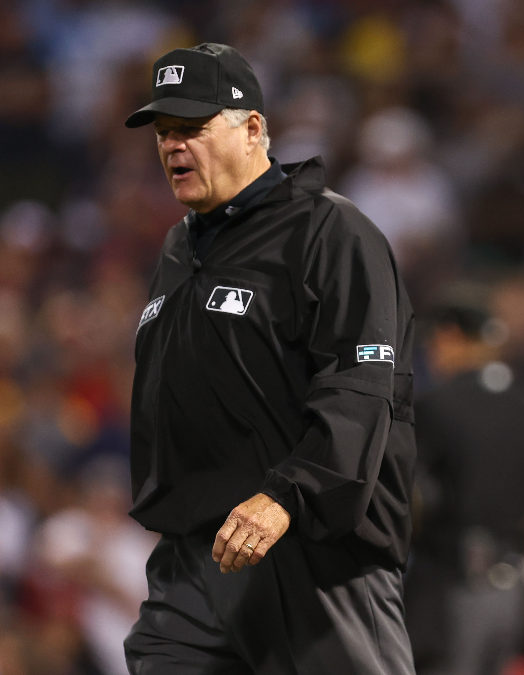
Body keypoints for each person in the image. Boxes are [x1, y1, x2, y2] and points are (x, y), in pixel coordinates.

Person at [121, 43, 416, 675]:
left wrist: (287, 495)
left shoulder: (330, 232)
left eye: (192, 129)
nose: (173, 146)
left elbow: (362, 387)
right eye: (164, 132)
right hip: (192, 567)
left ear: (253, 128)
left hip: (313, 557)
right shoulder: (180, 249)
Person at [406, 296, 524, 675]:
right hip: (513, 587)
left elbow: (413, 498)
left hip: (448, 587)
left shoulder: (437, 404)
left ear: (451, 335)